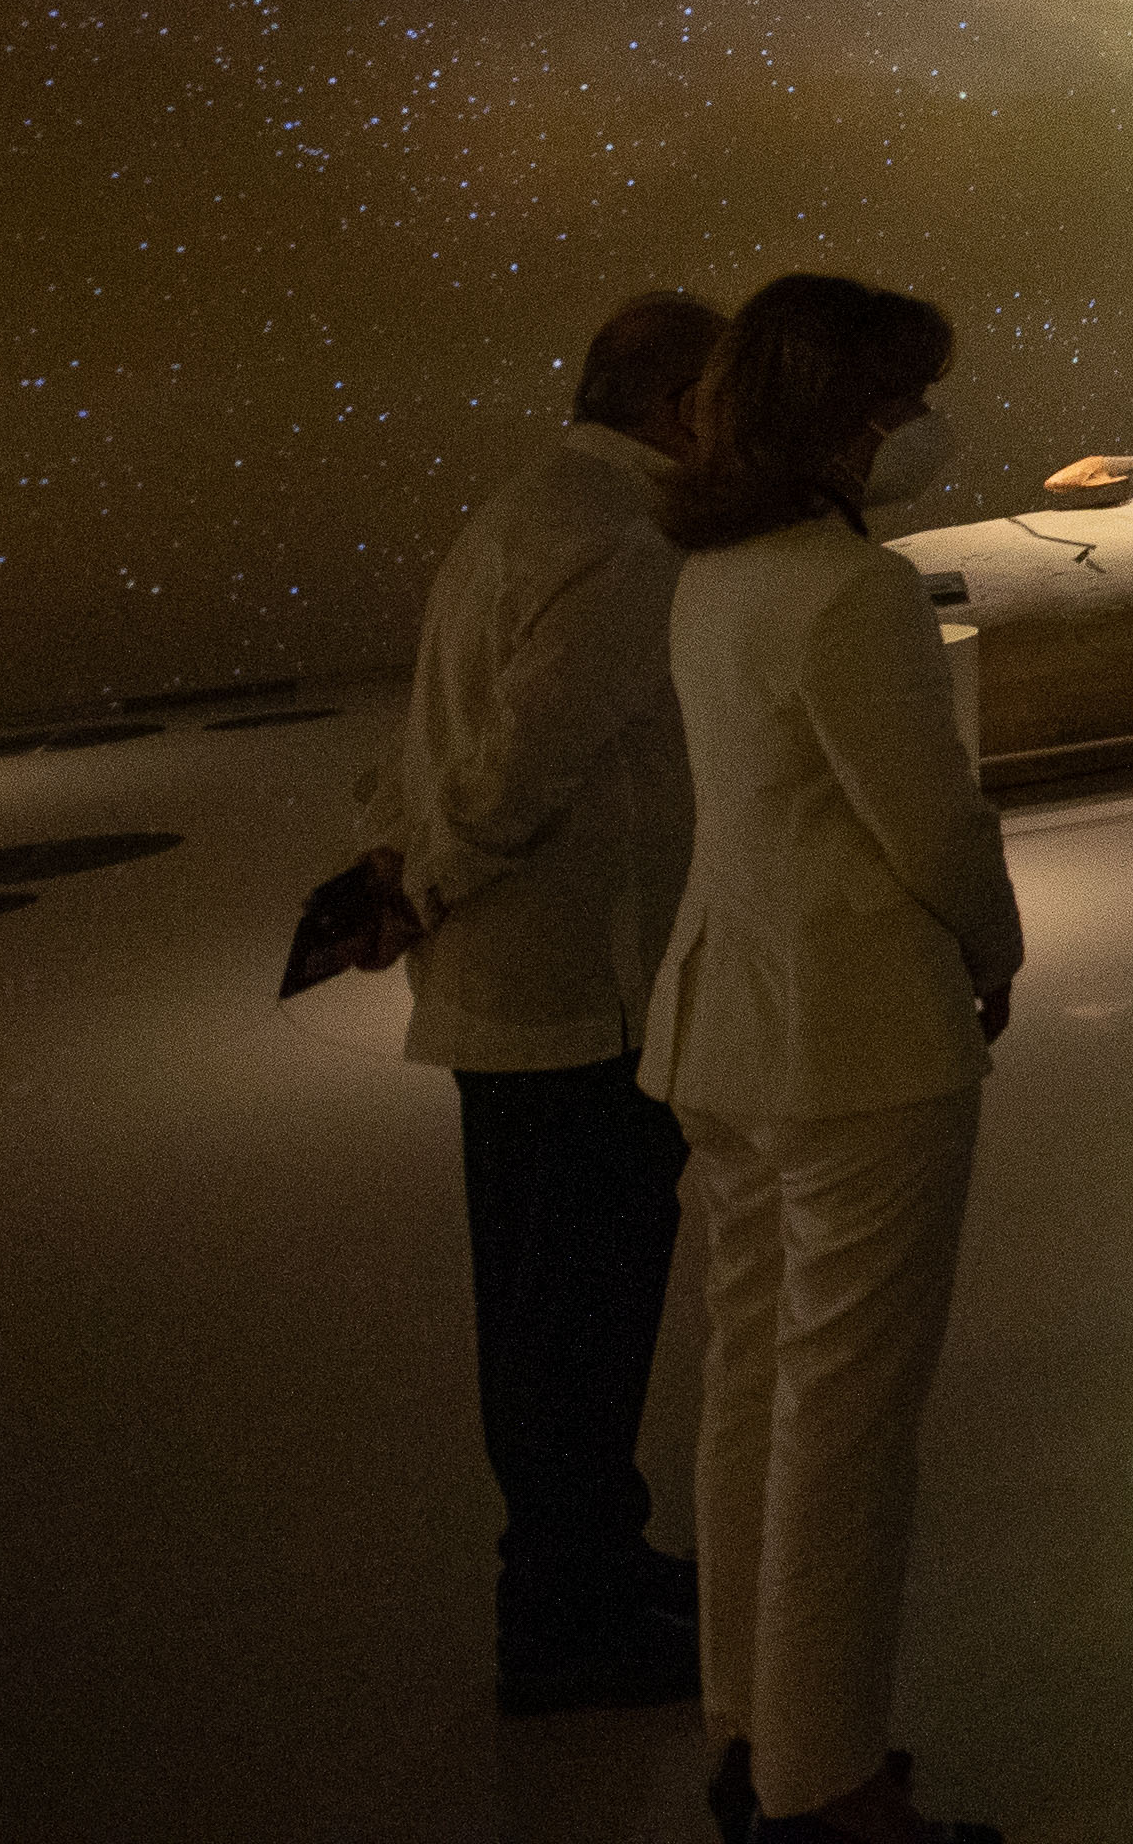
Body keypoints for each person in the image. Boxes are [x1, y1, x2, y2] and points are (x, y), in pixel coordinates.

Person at [645, 274, 1024, 1844]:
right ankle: (830, 1783)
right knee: (847, 1421)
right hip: (859, 1044)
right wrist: (994, 948)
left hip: (729, 1029)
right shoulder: (851, 592)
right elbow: (929, 823)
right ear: (842, 421)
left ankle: (753, 1727)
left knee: (750, 1386)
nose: (921, 426)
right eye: (901, 400)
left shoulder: (711, 577)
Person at [353, 287, 728, 1714]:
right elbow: (523, 760)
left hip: (532, 990)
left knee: (544, 1302)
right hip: (574, 993)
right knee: (577, 1310)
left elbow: (440, 730)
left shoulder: (532, 506)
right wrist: (426, 883)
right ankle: (568, 1611)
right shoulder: (627, 540)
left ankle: (589, 1564)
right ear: (686, 408)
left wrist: (401, 862)